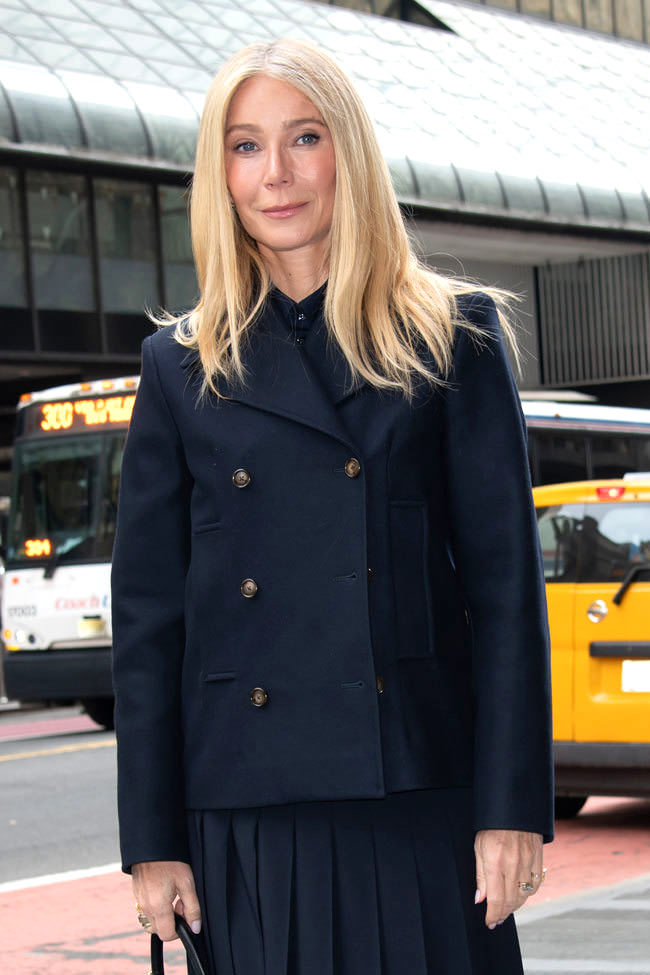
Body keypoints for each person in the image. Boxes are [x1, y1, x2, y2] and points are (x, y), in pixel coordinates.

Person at [111, 38, 554, 975]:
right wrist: (152, 839)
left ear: (346, 152)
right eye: (244, 146)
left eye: (303, 138)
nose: (275, 173)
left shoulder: (453, 339)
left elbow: (506, 597)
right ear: (218, 173)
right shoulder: (180, 365)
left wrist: (511, 808)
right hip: (249, 812)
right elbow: (148, 626)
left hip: (414, 796)